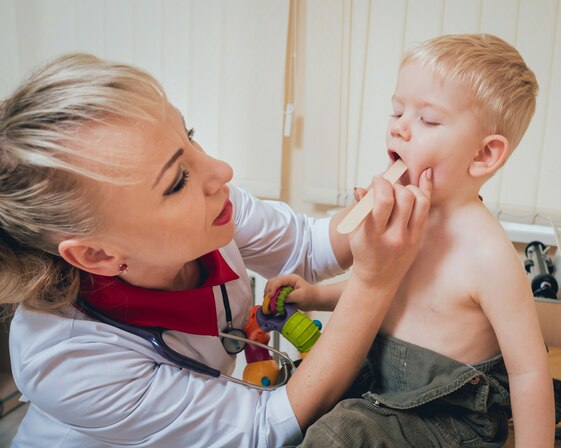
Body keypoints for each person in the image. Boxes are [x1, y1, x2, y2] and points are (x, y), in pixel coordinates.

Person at [0, 54, 433, 447]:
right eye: (176, 181)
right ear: (97, 255)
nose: (221, 171)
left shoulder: (212, 212)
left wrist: (395, 184)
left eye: (189, 136)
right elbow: (268, 427)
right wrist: (376, 281)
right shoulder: (65, 360)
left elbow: (308, 245)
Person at [265, 34, 555, 447]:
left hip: (444, 415)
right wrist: (315, 294)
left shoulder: (487, 253)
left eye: (428, 120)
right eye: (397, 110)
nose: (399, 127)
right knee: (298, 400)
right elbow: (393, 289)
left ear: (484, 155)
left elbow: (529, 371)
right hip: (380, 386)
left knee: (339, 434)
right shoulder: (405, 219)